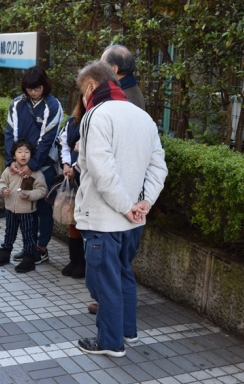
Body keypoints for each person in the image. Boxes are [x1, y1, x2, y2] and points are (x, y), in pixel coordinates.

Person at [73, 60, 167, 357]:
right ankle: (128, 331)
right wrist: (144, 203)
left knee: (104, 282)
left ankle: (110, 342)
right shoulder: (143, 117)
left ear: (91, 86)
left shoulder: (96, 114)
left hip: (104, 220)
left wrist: (127, 207)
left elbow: (101, 170)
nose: (83, 98)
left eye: (82, 91)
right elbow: (158, 167)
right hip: (134, 220)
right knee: (123, 274)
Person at [4, 66, 63, 264]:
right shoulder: (17, 104)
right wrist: (11, 161)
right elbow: (9, 133)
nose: (34, 92)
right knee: (25, 208)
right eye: (30, 89)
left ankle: (41, 248)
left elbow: (47, 139)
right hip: (20, 167)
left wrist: (32, 164)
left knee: (44, 209)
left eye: (37, 88)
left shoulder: (53, 105)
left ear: (44, 85)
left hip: (43, 167)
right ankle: (29, 246)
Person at [0, 139, 47, 273]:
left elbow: (42, 190)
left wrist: (29, 195)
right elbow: (1, 182)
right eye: (20, 152)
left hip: (27, 211)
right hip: (10, 209)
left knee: (28, 235)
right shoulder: (9, 170)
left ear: (31, 155)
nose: (23, 155)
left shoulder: (35, 173)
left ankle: (29, 259)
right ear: (13, 155)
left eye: (27, 152)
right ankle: (5, 253)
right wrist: (3, 189)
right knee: (9, 232)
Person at [57, 98, 86, 279]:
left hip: (87, 180)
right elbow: (64, 144)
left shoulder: (99, 121)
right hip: (71, 178)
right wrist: (67, 165)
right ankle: (73, 259)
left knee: (85, 220)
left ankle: (83, 261)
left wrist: (77, 169)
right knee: (72, 218)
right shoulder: (72, 121)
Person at [101, 44, 145, 111]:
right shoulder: (129, 88)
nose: (100, 69)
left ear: (114, 69)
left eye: (102, 65)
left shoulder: (123, 98)